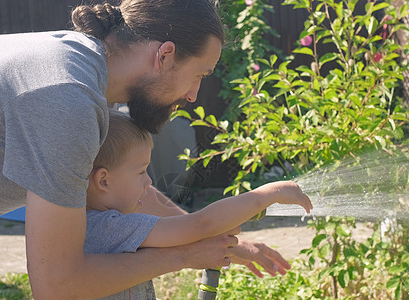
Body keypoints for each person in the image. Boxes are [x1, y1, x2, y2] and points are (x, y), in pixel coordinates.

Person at [0, 1, 311, 298]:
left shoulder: (87, 76)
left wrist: (212, 240)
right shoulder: (66, 97)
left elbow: (139, 192)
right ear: (164, 55)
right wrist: (184, 254)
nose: (193, 95)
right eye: (199, 75)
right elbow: (56, 286)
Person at [84, 110, 313, 299]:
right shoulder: (114, 227)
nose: (149, 182)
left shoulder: (89, 227)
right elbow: (201, 224)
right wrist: (267, 194)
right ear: (104, 180)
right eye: (142, 172)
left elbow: (195, 230)